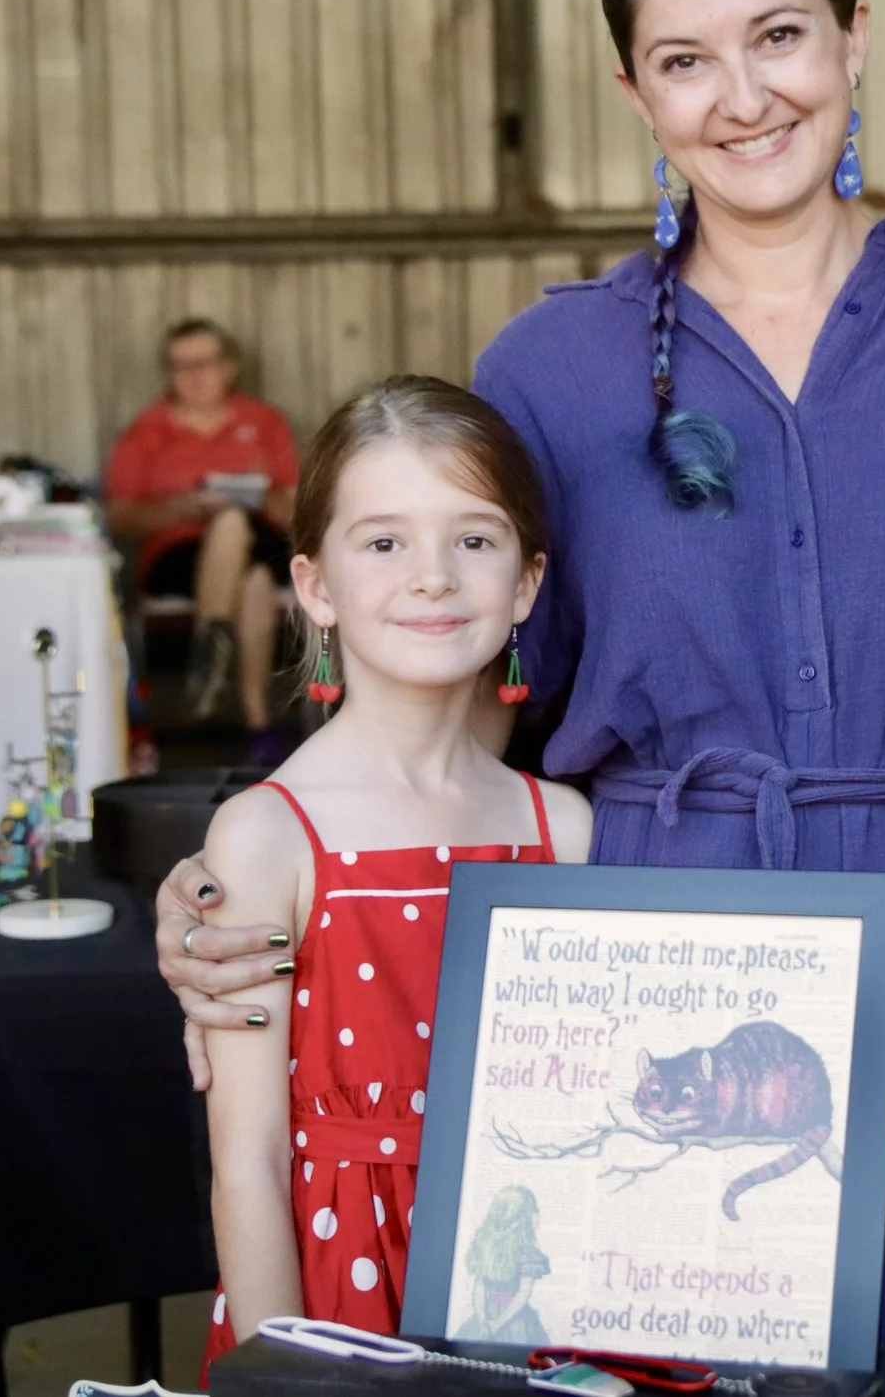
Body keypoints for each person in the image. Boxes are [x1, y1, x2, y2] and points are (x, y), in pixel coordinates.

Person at [156, 0, 885, 1344]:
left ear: (855, 33)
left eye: (778, 35)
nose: (743, 94)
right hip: (646, 953)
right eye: (683, 60)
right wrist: (239, 884)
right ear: (638, 96)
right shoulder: (551, 368)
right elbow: (444, 694)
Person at [193, 375, 592, 1364]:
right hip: (338, 1304)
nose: (432, 576)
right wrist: (284, 1369)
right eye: (383, 541)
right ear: (315, 584)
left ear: (528, 582)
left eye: (474, 538)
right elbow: (246, 1160)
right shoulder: (265, 836)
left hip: (524, 1287)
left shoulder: (565, 828)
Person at [104, 317, 301, 760]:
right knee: (250, 574)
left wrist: (259, 492)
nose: (193, 376)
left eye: (204, 363)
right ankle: (258, 725)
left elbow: (298, 510)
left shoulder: (263, 423)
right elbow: (117, 519)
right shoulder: (146, 432)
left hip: (262, 538)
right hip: (175, 554)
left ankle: (210, 654)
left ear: (229, 367)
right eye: (180, 366)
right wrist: (184, 506)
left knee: (240, 538)